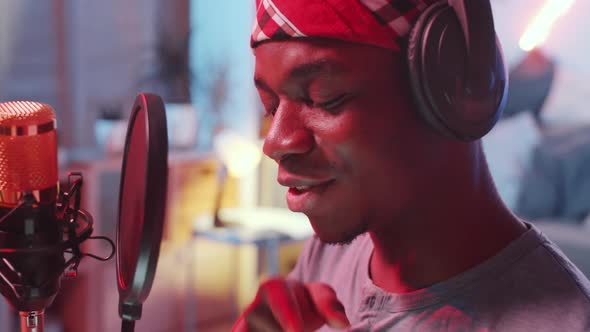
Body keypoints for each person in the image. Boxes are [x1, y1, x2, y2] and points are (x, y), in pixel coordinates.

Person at [233, 0, 590, 331]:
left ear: (450, 89)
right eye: (271, 106)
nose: (276, 143)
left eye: (325, 96)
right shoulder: (328, 257)